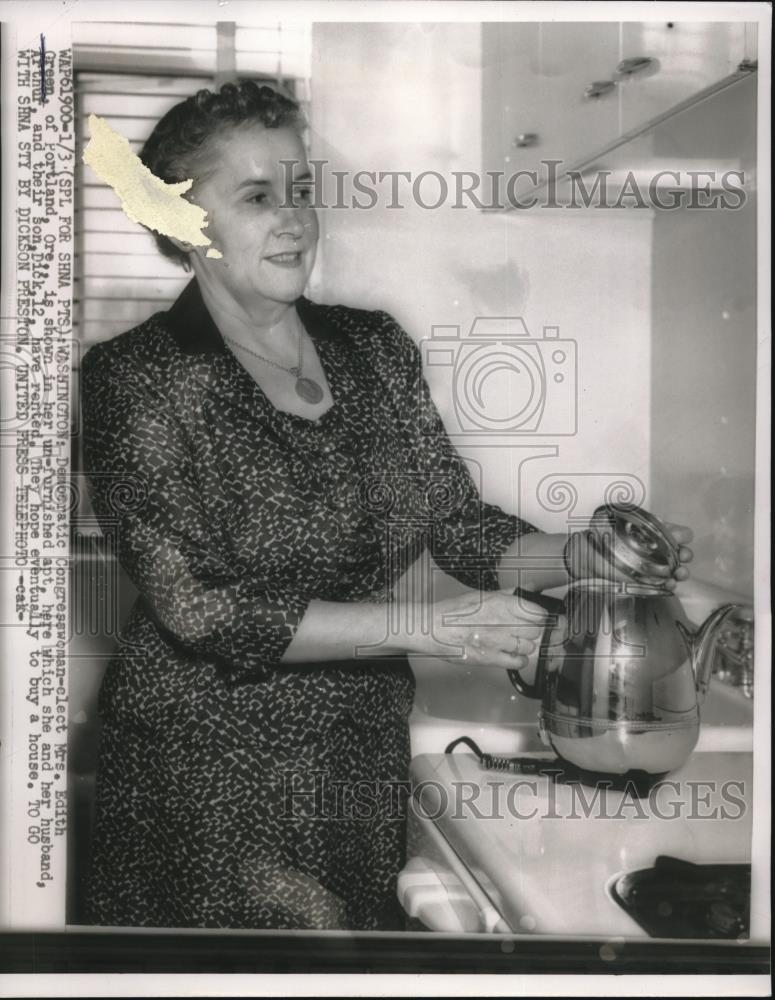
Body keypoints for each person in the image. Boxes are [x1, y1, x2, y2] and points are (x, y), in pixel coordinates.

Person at [80, 81, 693, 931]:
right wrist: (425, 630)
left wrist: (582, 554)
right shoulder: (134, 379)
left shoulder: (371, 348)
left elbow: (459, 525)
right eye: (257, 196)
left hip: (355, 753)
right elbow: (201, 607)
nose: (294, 218)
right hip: (205, 769)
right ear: (186, 224)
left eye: (301, 189)